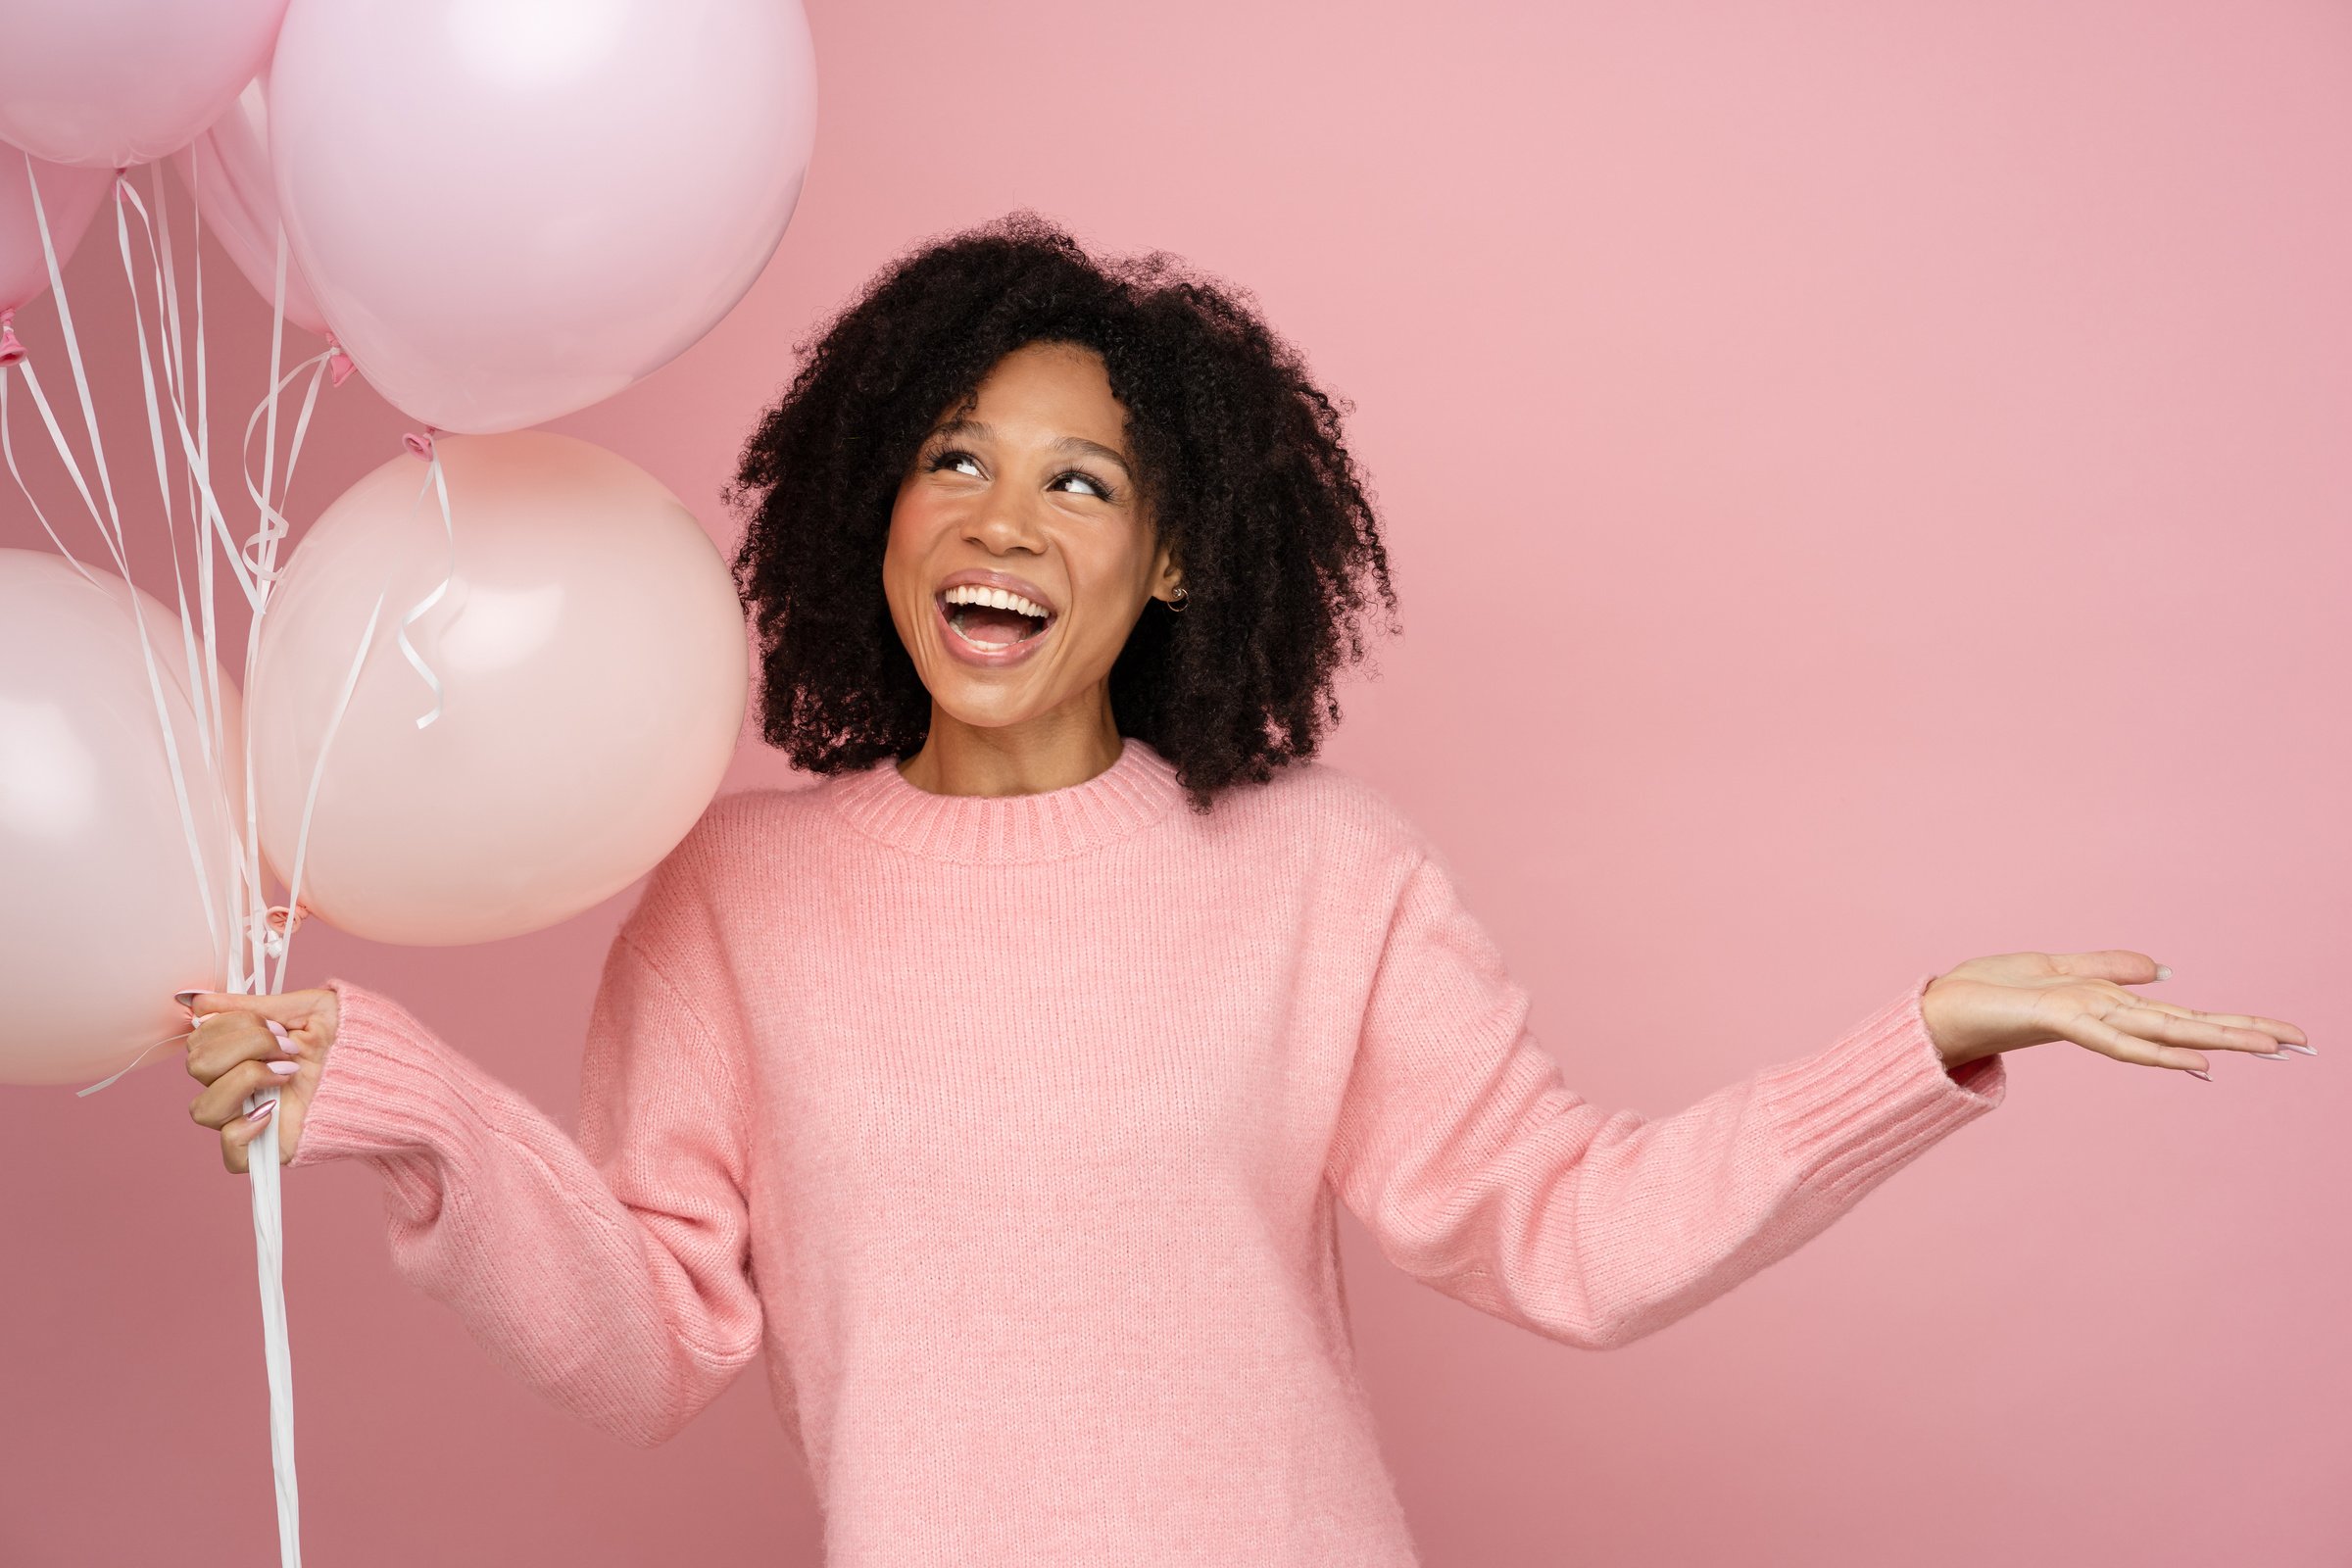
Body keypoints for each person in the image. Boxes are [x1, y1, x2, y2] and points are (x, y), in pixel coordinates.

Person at [177, 213, 2311, 1567]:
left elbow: (1576, 1231)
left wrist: (1921, 1038)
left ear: (1174, 558)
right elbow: (656, 1334)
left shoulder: (1321, 879)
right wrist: (410, 1098)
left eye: (1082, 481)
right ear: (873, 500)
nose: (1000, 519)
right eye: (953, 459)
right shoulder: (734, 893)